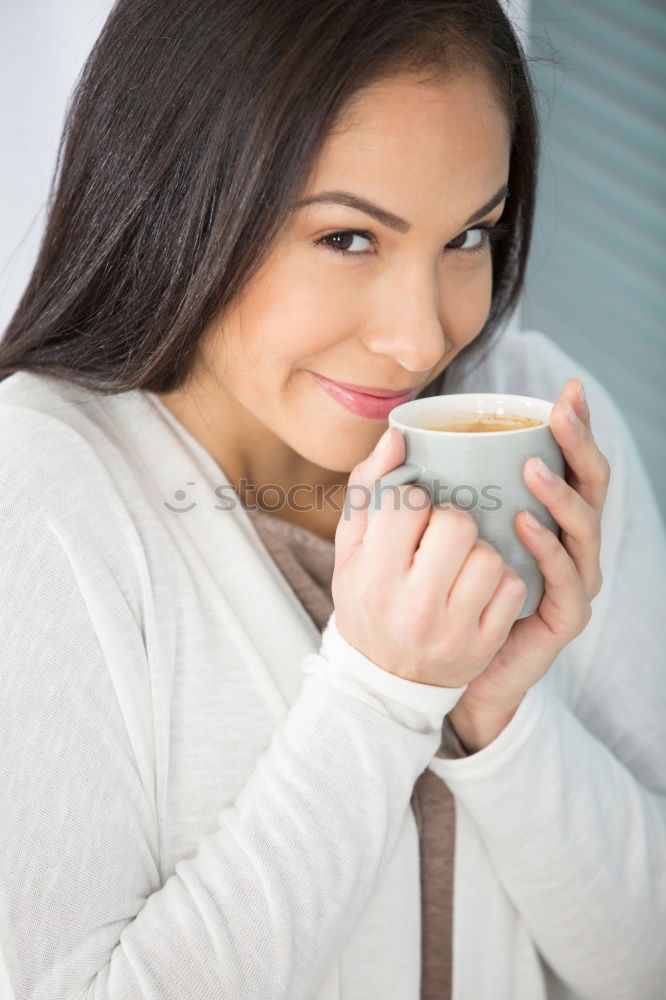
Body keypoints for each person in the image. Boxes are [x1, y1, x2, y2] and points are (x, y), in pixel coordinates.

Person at [0, 1, 664, 998]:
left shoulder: (540, 426)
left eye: (470, 235)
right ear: (179, 197)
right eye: (351, 237)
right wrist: (383, 692)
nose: (421, 335)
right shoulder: (44, 486)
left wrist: (502, 714)